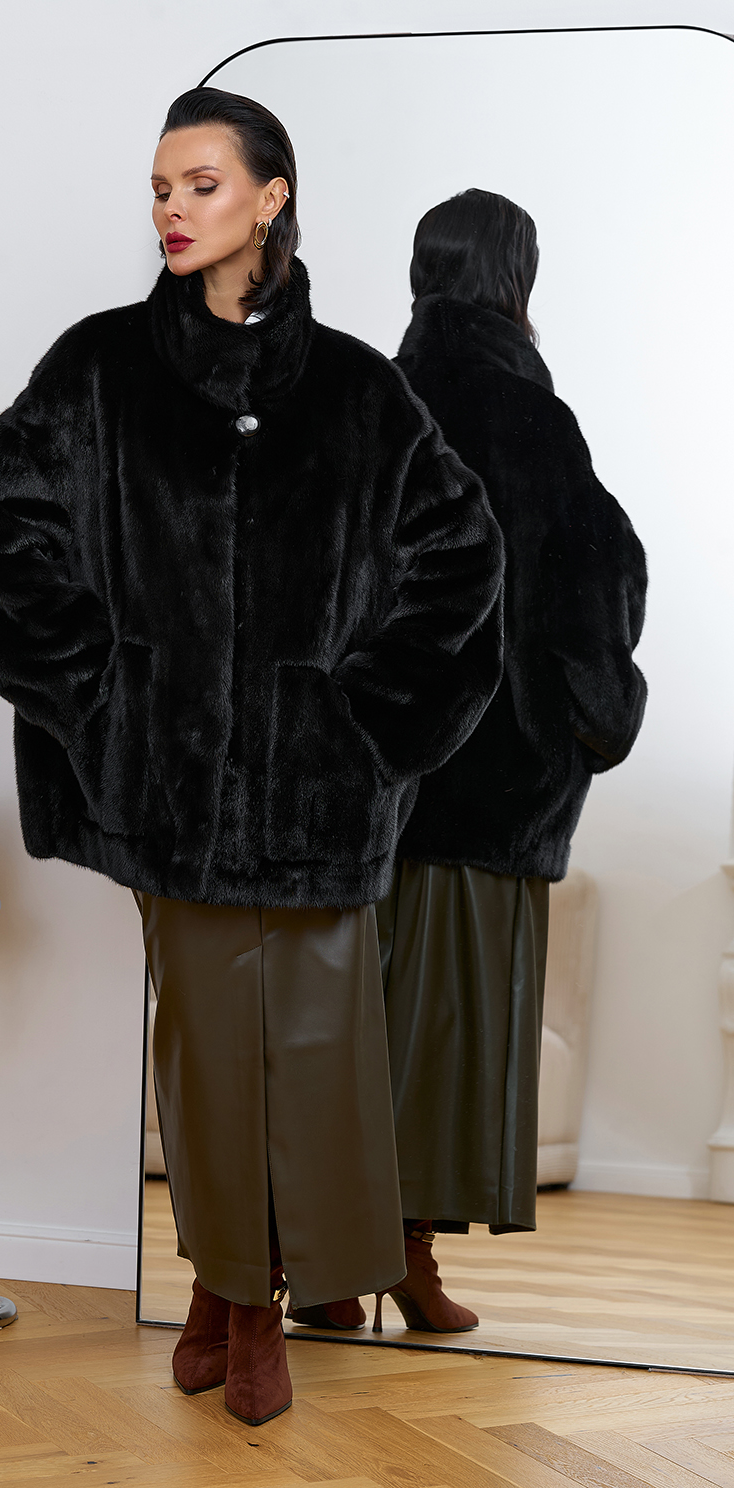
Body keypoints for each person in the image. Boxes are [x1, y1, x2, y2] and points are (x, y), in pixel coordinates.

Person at [0, 96, 504, 1425]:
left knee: (316, 1047)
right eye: (159, 188)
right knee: (203, 1044)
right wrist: (106, 693)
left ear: (270, 197)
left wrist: (369, 722)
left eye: (201, 183)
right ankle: (229, 1291)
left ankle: (274, 1292)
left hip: (322, 796)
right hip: (173, 790)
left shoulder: (360, 388)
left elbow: (461, 560)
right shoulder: (100, 369)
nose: (173, 209)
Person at [293, 188, 646, 1337]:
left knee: (340, 1033)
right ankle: (403, 1255)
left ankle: (331, 1269)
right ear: (515, 280)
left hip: (354, 794)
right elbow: (588, 593)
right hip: (483, 795)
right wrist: (592, 722)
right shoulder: (525, 418)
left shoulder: (358, 406)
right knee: (441, 1045)